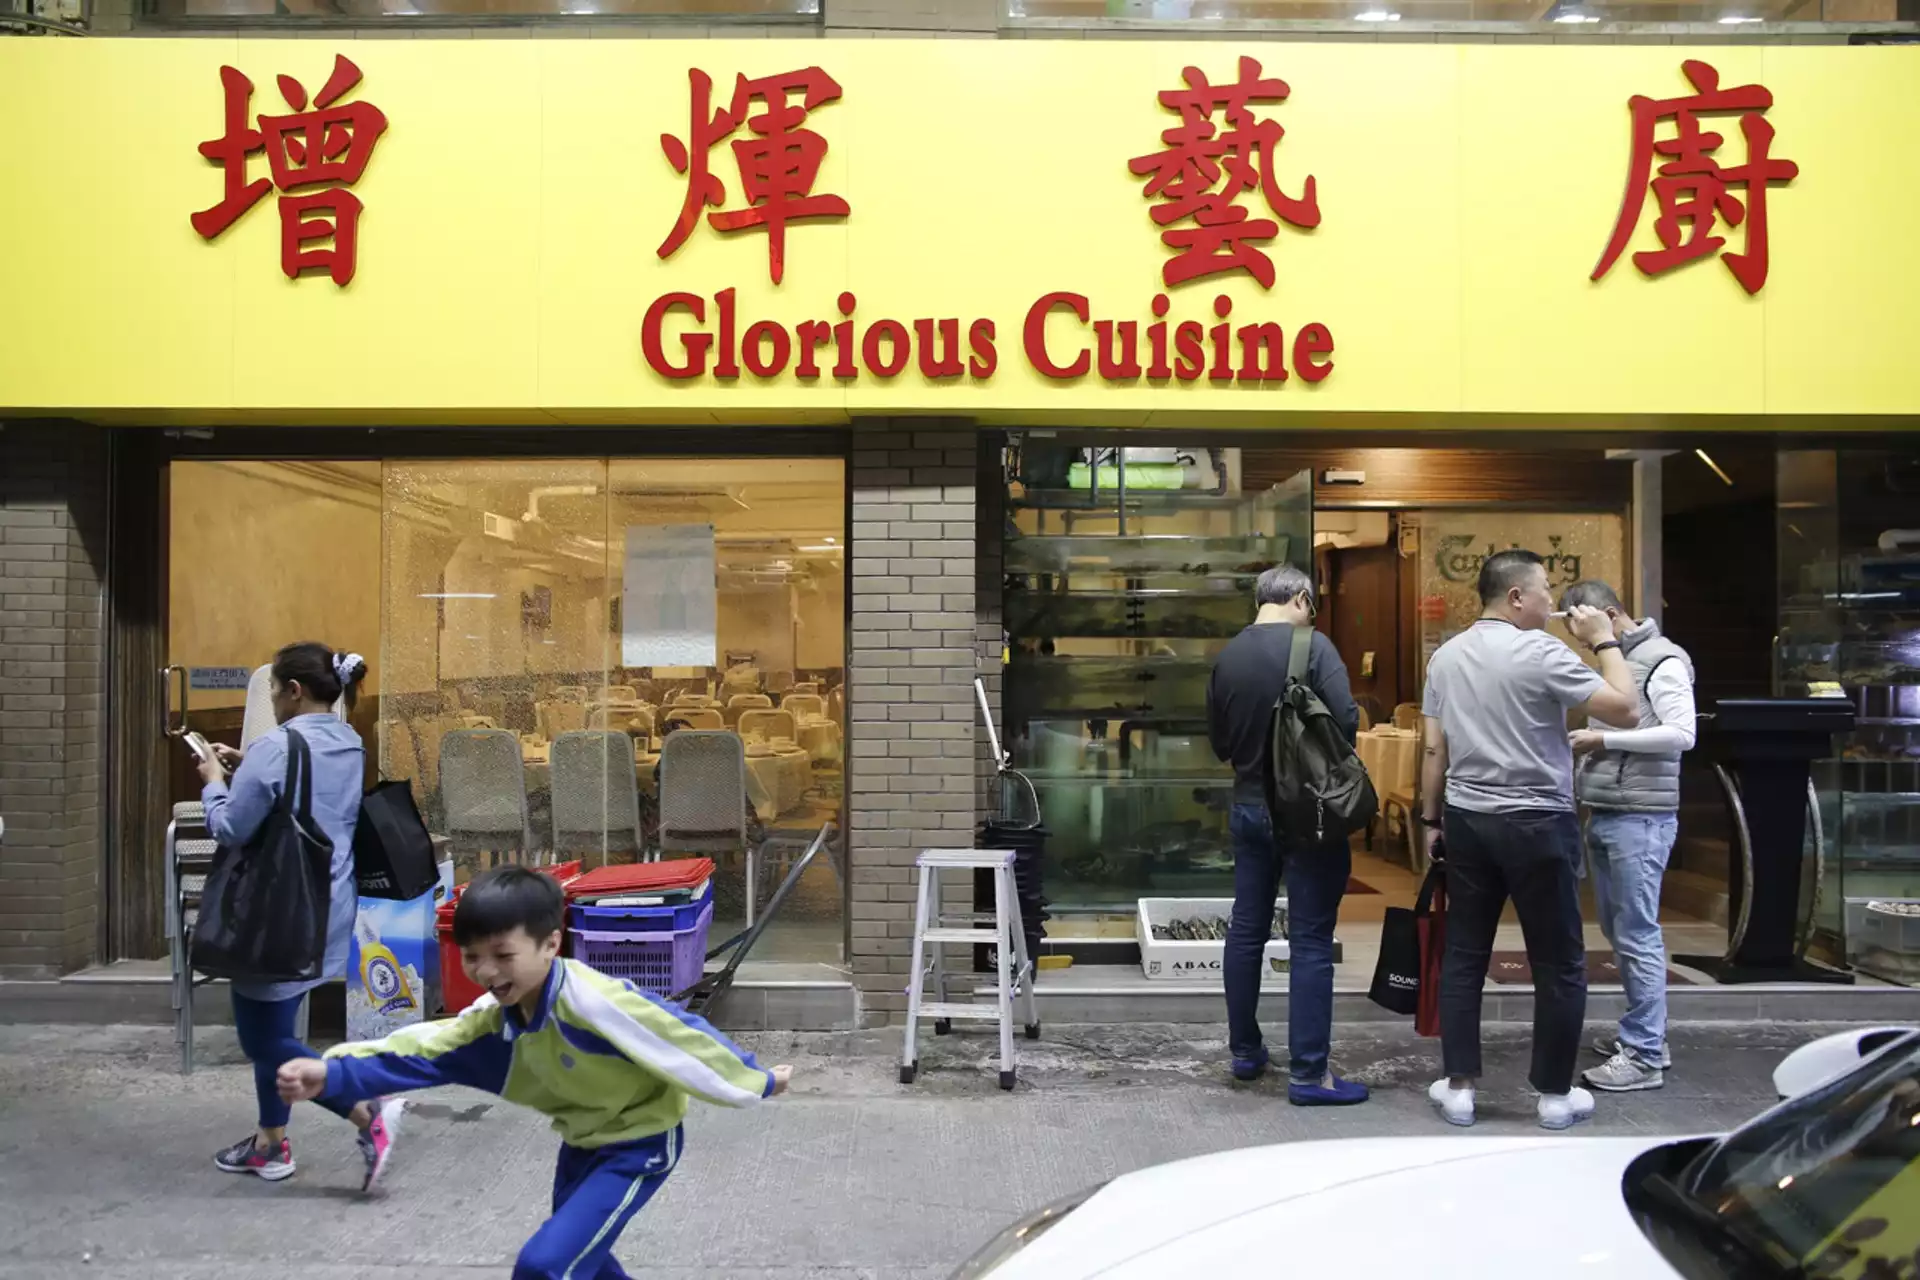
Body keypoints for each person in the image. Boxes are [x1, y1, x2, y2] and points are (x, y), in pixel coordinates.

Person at [278, 866, 791, 1280]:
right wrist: (332, 1075)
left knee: (545, 1267)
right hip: (582, 1145)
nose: (485, 971)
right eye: (473, 957)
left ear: (551, 943)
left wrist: (757, 1080)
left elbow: (680, 1036)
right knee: (583, 1262)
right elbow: (420, 1049)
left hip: (641, 1144)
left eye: (503, 955)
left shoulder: (595, 1002)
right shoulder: (492, 1021)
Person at [1418, 550, 1640, 1130]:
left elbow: (1435, 748)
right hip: (1539, 819)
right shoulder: (1543, 651)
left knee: (1465, 953)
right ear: (1515, 597)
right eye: (1546, 588)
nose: (1554, 600)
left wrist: (1429, 820)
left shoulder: (1445, 656)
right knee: (1560, 960)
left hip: (1468, 817)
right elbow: (1628, 710)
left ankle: (1460, 1086)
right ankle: (1553, 1095)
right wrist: (1603, 641)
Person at [197, 642, 401, 1188]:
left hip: (275, 911)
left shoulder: (277, 746)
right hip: (328, 904)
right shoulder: (350, 742)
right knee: (278, 1025)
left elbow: (230, 828)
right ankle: (271, 1143)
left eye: (274, 691)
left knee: (262, 1040)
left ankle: (364, 1110)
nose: (273, 700)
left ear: (293, 690)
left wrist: (215, 781)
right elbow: (307, 799)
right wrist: (250, 770)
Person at [1207, 564, 1366, 1104]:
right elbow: (1345, 723)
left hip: (1250, 806)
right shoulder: (1315, 648)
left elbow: (1222, 744)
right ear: (1301, 598)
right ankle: (1309, 1074)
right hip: (1310, 814)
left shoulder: (1228, 657)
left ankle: (1245, 1051)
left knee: (1246, 928)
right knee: (1311, 940)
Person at [1560, 579, 1696, 1093]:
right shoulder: (1622, 660)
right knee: (1622, 933)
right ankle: (1643, 1036)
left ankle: (1643, 1054)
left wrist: (1602, 737)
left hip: (1643, 815)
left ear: (1608, 615)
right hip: (1611, 810)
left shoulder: (1663, 659)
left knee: (1637, 934)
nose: (1582, 643)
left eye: (1584, 631)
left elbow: (1684, 734)